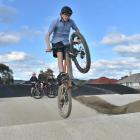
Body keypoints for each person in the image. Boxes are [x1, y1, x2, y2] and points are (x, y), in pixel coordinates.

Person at [46, 6, 80, 82]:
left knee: (69, 56)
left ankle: (71, 77)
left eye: (68, 15)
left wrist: (78, 38)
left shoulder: (71, 22)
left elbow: (77, 30)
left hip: (66, 43)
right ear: (61, 14)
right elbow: (47, 35)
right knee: (60, 53)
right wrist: (48, 46)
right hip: (56, 42)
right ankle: (62, 73)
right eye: (65, 15)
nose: (67, 17)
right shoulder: (55, 21)